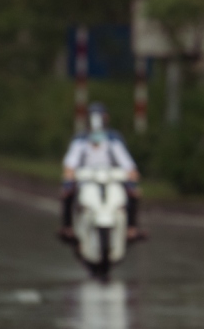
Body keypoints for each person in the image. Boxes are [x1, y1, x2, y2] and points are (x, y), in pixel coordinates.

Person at [60, 102, 143, 242]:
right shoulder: (80, 140)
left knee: (133, 193)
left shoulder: (113, 139)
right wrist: (69, 176)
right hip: (86, 180)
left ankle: (131, 228)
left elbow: (127, 163)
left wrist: (132, 175)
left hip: (111, 179)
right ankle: (68, 227)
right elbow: (70, 163)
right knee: (67, 192)